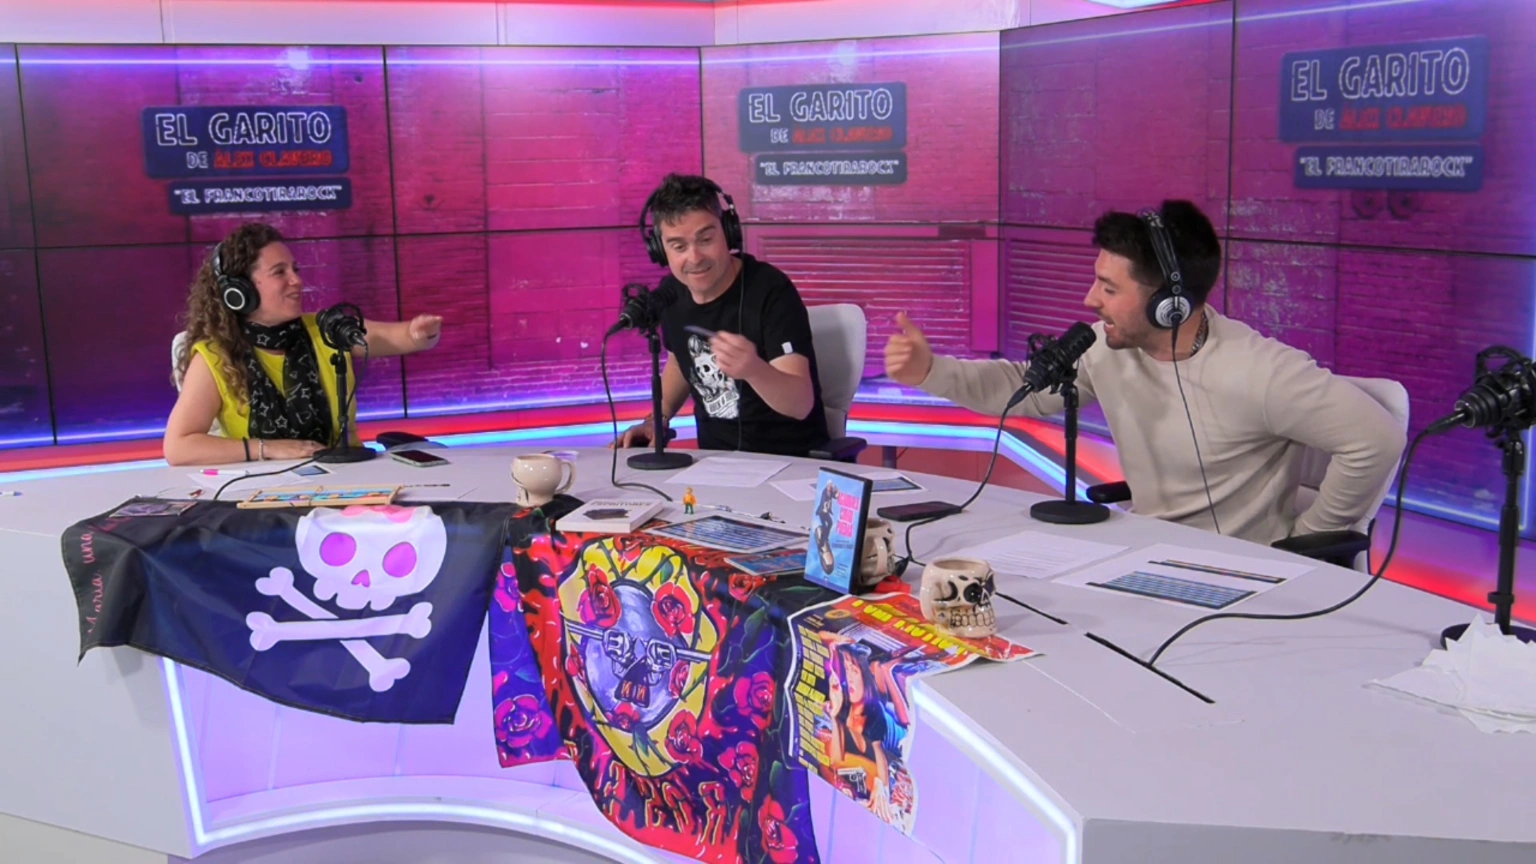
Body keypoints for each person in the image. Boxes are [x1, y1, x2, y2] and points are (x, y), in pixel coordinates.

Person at [884, 200, 1406, 547]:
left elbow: (1377, 440)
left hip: (1235, 577)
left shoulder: (1260, 371)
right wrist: (932, 371)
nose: (1090, 300)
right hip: (1143, 552)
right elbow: (1025, 389)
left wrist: (1306, 540)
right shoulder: (1108, 348)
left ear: (1168, 304)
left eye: (1110, 289)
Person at [163, 223, 444, 466]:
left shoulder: (326, 329)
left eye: (295, 269)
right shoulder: (217, 357)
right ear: (240, 291)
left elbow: (399, 337)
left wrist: (419, 333)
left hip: (351, 479)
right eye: (279, 272)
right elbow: (178, 447)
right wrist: (268, 449)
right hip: (267, 489)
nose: (297, 280)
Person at [615, 173, 829, 457]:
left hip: (788, 463)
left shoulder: (771, 291)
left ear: (728, 232)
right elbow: (681, 360)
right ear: (660, 250)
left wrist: (753, 369)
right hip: (713, 464)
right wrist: (657, 419)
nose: (694, 258)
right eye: (679, 247)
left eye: (705, 239)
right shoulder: (671, 294)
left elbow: (800, 404)